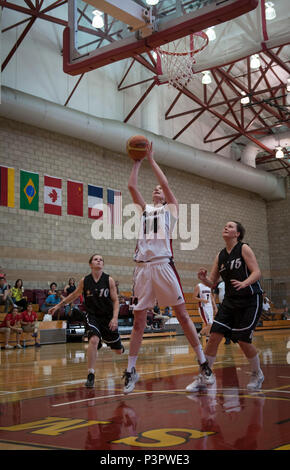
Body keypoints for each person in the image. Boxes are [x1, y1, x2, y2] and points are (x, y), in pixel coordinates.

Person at [123, 141, 213, 394]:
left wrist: (151, 159)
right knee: (138, 322)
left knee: (183, 315)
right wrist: (137, 162)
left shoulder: (169, 212)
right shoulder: (145, 211)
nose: (156, 191)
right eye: (154, 190)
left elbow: (167, 186)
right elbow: (131, 186)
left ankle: (203, 364)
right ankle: (131, 370)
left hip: (163, 266)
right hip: (142, 269)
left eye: (159, 190)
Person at [186, 221, 264, 392]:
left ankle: (257, 373)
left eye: (230, 226)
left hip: (250, 299)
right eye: (225, 226)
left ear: (237, 234)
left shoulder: (244, 248)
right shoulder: (220, 255)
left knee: (243, 340)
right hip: (230, 301)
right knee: (214, 336)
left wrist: (244, 283)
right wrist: (203, 279)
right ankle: (204, 375)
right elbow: (213, 282)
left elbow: (257, 272)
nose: (226, 228)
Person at [48, 254, 124, 388]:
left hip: (107, 317)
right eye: (96, 259)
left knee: (118, 351)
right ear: (90, 264)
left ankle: (115, 345)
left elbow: (116, 300)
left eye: (101, 259)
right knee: (93, 340)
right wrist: (58, 306)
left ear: (103, 264)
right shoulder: (85, 281)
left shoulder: (109, 280)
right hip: (92, 316)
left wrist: (115, 318)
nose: (99, 261)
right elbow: (74, 295)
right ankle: (91, 374)